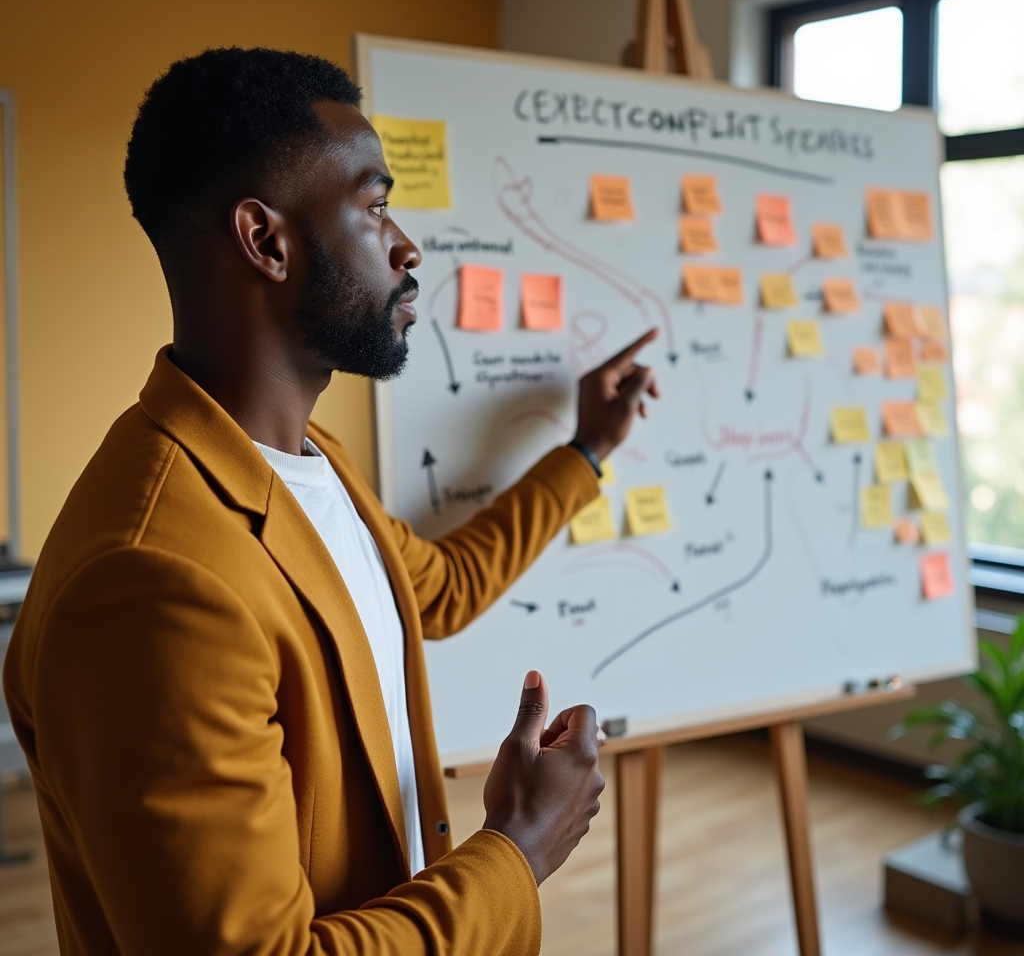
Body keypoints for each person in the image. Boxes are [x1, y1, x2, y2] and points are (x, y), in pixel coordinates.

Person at [3, 47, 659, 956]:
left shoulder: (309, 462)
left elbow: (442, 587)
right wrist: (520, 848)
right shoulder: (151, 580)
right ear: (265, 241)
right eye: (375, 204)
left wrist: (587, 451)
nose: (408, 246)